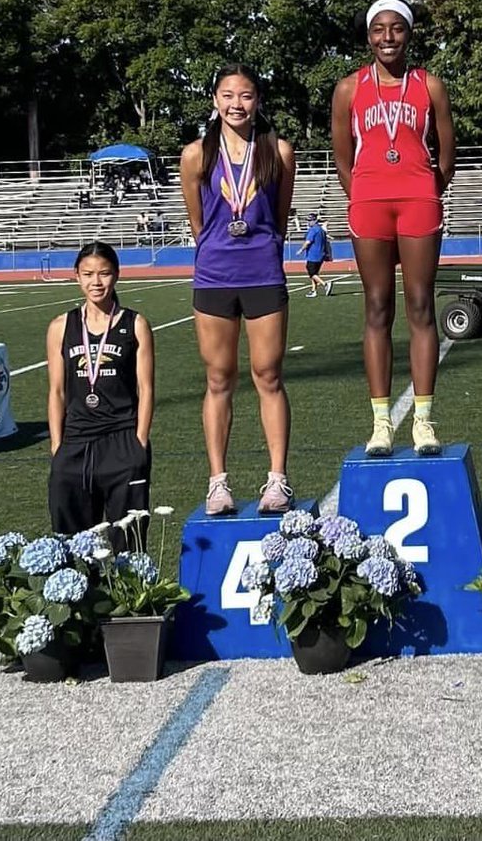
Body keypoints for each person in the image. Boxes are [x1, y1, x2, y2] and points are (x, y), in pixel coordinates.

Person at [331, 0, 456, 456]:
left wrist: (426, 187)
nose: (388, 37)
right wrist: (363, 191)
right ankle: (381, 421)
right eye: (379, 29)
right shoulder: (349, 89)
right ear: (369, 37)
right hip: (370, 202)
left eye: (397, 29)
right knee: (377, 308)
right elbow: (343, 156)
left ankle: (423, 419)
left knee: (421, 305)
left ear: (408, 34)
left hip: (418, 200)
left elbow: (447, 153)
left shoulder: (429, 86)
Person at [180, 63, 297, 515]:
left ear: (258, 101)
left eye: (245, 96)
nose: (236, 104)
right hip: (214, 276)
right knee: (217, 379)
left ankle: (277, 479)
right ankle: (218, 483)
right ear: (214, 100)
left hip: (263, 274)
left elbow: (279, 218)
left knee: (268, 376)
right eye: (227, 95)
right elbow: (198, 220)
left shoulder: (279, 152)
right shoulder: (196, 154)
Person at [46, 242, 154, 550]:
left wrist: (139, 442)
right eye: (88, 274)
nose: (97, 282)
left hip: (122, 440)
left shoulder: (135, 324)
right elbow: (56, 390)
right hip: (75, 443)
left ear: (117, 275)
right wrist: (57, 446)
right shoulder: (60, 326)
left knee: (128, 545)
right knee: (74, 545)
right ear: (77, 277)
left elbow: (146, 388)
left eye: (104, 273)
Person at [300, 212, 331, 298]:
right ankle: (314, 290)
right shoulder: (321, 230)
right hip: (321, 254)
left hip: (313, 255)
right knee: (315, 273)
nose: (308, 222)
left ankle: (325, 284)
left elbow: (308, 242)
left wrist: (301, 250)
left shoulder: (313, 230)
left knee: (312, 273)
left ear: (314, 221)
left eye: (310, 221)